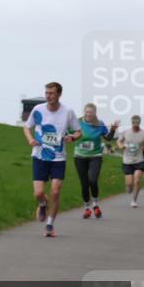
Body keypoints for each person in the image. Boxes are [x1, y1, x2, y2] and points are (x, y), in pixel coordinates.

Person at [23, 82, 81, 237]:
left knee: (55, 191)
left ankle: (49, 225)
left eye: (51, 93)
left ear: (59, 94)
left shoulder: (68, 111)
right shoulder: (38, 109)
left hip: (58, 158)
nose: (48, 96)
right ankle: (43, 204)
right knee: (39, 193)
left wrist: (72, 137)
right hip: (39, 156)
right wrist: (30, 139)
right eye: (46, 93)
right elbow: (27, 127)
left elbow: (79, 132)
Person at [73, 104, 118, 220]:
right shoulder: (77, 122)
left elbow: (108, 138)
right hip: (79, 156)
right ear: (84, 112)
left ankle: (96, 205)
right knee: (84, 184)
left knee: (92, 180)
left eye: (91, 112)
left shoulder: (100, 124)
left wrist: (113, 130)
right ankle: (87, 208)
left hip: (95, 156)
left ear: (95, 113)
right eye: (87, 112)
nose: (89, 114)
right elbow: (68, 133)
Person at [116, 115, 144, 208]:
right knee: (129, 184)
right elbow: (119, 141)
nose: (135, 124)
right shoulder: (125, 132)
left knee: (137, 181)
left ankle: (134, 201)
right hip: (127, 161)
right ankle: (129, 187)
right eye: (133, 123)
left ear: (139, 123)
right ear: (131, 122)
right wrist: (120, 146)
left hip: (139, 160)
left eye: (137, 123)